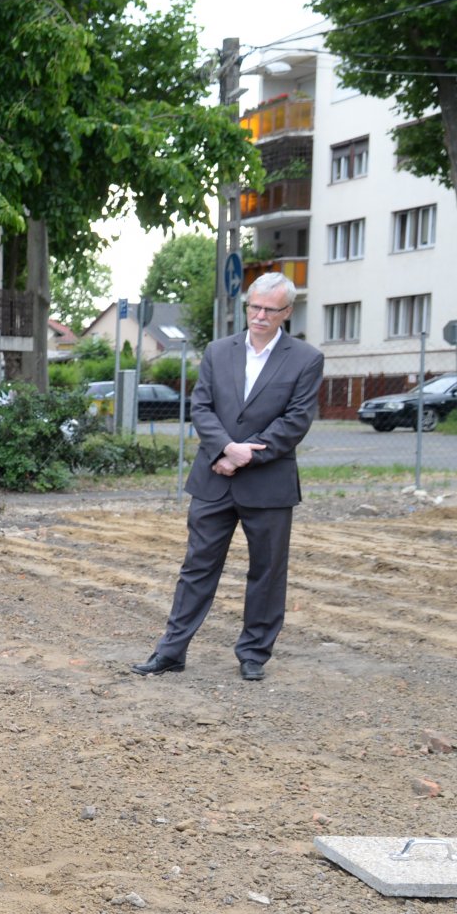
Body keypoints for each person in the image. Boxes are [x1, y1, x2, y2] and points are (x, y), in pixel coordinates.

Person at [132, 272, 322, 683]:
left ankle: (253, 654)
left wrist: (241, 457)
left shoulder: (306, 359)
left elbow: (295, 422)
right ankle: (171, 651)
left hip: (268, 484)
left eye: (270, 310)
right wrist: (224, 449)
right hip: (214, 480)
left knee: (267, 573)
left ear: (286, 312)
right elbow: (201, 407)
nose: (259, 315)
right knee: (196, 567)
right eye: (254, 306)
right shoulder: (219, 351)